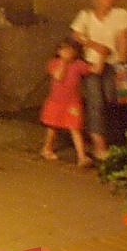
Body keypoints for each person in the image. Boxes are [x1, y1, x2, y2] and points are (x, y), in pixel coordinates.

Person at [71, 0, 127, 160]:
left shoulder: (120, 15)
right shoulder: (85, 16)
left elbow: (123, 41)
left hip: (114, 64)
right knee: (95, 103)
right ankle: (99, 146)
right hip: (92, 65)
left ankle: (119, 141)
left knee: (115, 100)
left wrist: (121, 68)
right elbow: (76, 35)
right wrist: (95, 46)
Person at [39, 37, 99, 167]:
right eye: (64, 49)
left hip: (73, 103)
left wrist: (102, 54)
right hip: (55, 102)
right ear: (58, 51)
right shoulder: (54, 63)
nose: (68, 52)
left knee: (75, 128)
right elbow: (58, 76)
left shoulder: (79, 64)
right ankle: (47, 148)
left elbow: (95, 70)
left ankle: (82, 157)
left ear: (76, 52)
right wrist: (64, 62)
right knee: (53, 127)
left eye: (71, 50)